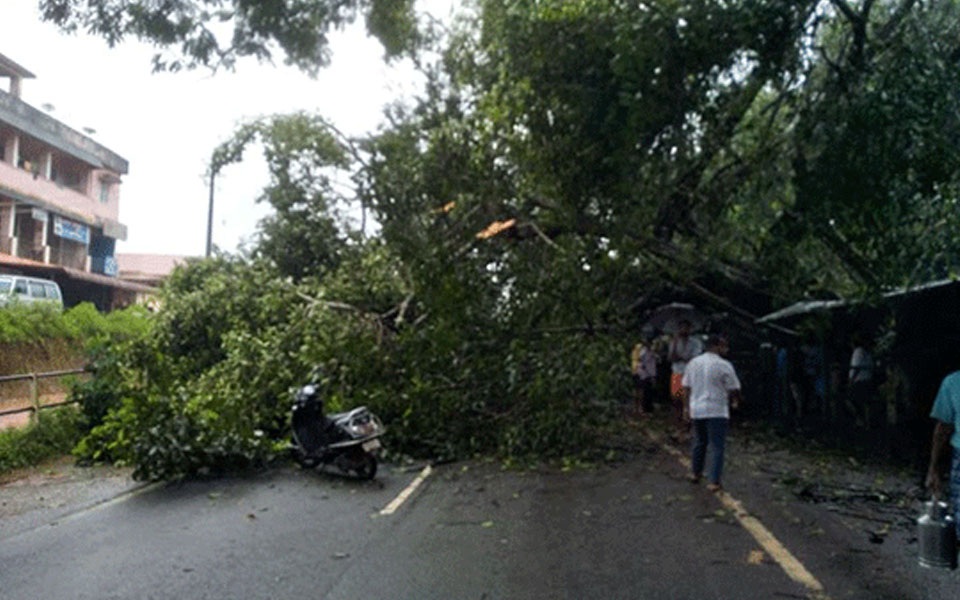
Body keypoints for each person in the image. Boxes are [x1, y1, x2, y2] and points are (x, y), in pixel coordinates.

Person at [682, 334, 742, 492]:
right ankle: (714, 480)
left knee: (699, 442)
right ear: (717, 346)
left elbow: (686, 387)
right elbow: (734, 388)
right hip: (717, 410)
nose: (726, 349)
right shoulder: (725, 365)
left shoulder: (693, 363)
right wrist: (736, 401)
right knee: (717, 446)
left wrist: (686, 408)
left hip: (697, 409)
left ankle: (696, 473)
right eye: (724, 346)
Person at [925, 369, 960, 537]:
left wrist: (933, 469)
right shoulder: (953, 382)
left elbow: (942, 430)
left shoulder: (953, 382)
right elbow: (943, 429)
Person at [668, 319, 703, 424]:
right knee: (676, 397)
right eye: (682, 328)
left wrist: (682, 358)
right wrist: (674, 344)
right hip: (677, 371)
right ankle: (678, 419)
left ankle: (689, 420)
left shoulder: (696, 342)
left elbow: (695, 358)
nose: (684, 330)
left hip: (690, 372)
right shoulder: (674, 341)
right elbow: (671, 358)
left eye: (686, 328)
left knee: (688, 397)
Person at [848, 334, 877, 427]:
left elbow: (856, 367)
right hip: (868, 379)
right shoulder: (867, 352)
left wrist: (851, 380)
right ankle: (866, 422)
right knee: (865, 402)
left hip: (859, 381)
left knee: (850, 400)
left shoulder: (858, 352)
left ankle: (860, 419)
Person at [630, 333, 658, 416]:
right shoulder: (641, 350)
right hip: (641, 373)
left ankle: (642, 409)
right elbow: (640, 361)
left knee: (645, 392)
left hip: (647, 374)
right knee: (640, 392)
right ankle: (638, 408)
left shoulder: (652, 352)